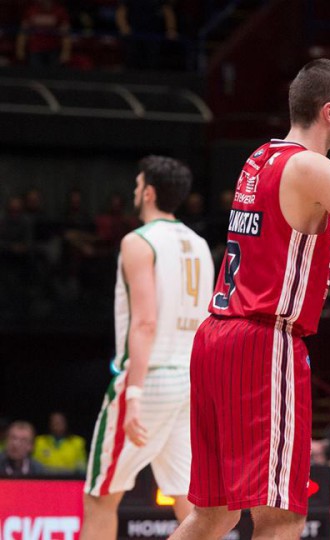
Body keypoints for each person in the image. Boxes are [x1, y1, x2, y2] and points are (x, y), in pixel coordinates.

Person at [168, 58, 330, 540]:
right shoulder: (310, 167)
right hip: (263, 342)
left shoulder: (263, 157)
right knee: (282, 514)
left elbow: (323, 192)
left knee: (215, 513)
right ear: (328, 111)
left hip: (216, 340)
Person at [80, 156, 214, 540]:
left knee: (101, 496)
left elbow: (145, 322)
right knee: (190, 502)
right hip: (190, 380)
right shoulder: (200, 244)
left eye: (138, 186)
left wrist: (133, 392)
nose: (135, 192)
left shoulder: (138, 241)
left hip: (151, 377)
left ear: (149, 192)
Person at [15, 0, 71, 68]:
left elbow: (65, 34)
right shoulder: (31, 10)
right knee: (35, 74)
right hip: (35, 49)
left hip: (54, 50)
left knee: (53, 75)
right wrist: (20, 49)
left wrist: (65, 52)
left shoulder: (60, 11)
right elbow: (23, 31)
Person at [33, 411, 87, 475]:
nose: (57, 424)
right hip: (45, 480)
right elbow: (34, 465)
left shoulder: (77, 442)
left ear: (66, 423)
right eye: (54, 422)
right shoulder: (39, 441)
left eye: (60, 421)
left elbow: (82, 468)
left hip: (70, 480)